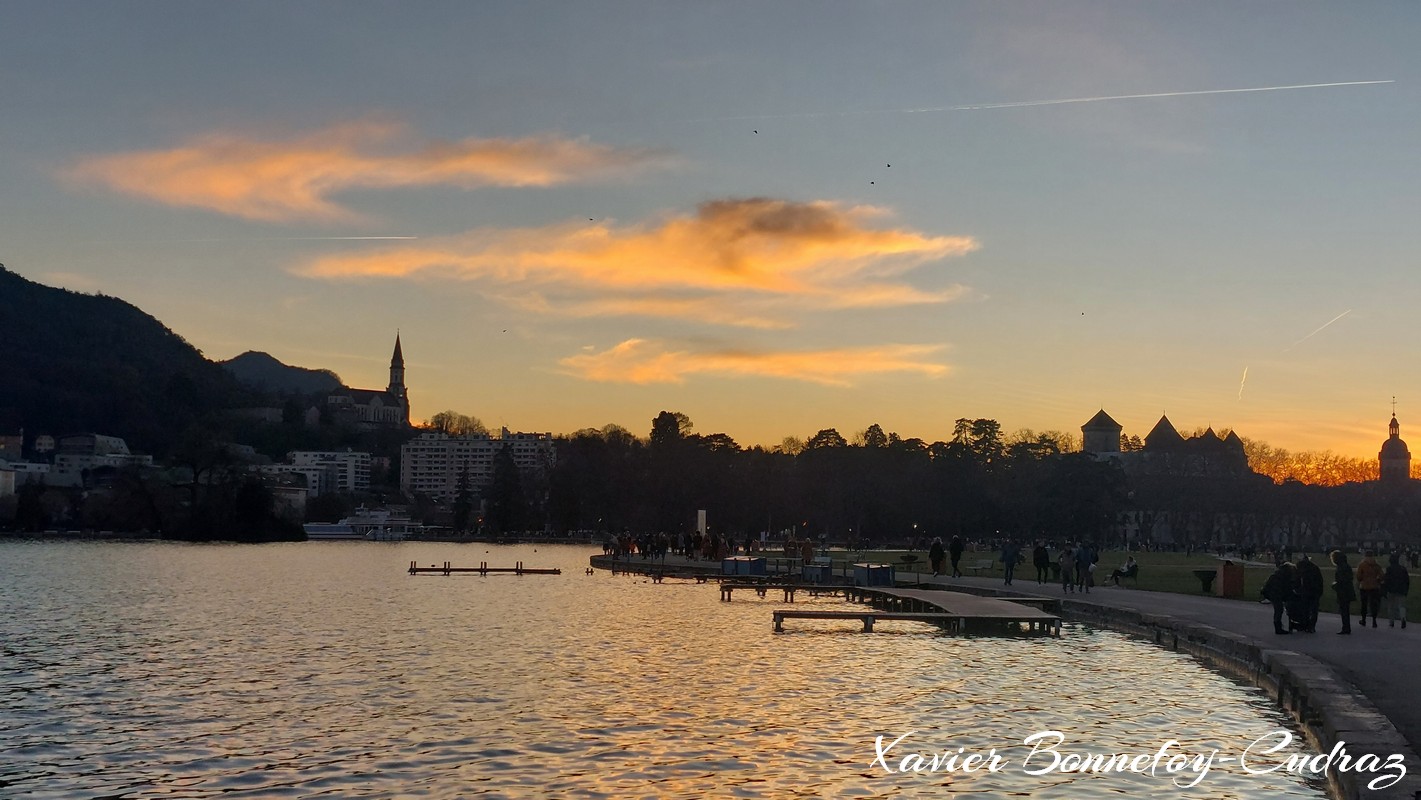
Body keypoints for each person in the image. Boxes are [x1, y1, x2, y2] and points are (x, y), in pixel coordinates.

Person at [1260, 559, 1297, 635]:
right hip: (1275, 593)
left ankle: (1279, 627)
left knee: (1279, 610)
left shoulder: (1277, 574)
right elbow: (1286, 588)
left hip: (1273, 593)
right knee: (1279, 610)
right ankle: (1278, 628)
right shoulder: (1285, 576)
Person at [1355, 551, 1384, 628]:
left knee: (1364, 604)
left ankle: (1363, 620)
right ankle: (1374, 621)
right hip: (1374, 587)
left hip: (1364, 586)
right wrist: (1377, 580)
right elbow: (1381, 575)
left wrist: (1362, 580)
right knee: (1373, 604)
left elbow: (1358, 576)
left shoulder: (1362, 564)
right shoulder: (1376, 565)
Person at [1295, 554, 1323, 633]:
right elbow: (1320, 581)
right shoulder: (1314, 568)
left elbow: (1296, 580)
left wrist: (1297, 590)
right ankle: (1311, 626)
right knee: (1313, 610)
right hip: (1314, 591)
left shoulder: (1300, 568)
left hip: (1305, 591)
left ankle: (1305, 625)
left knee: (1305, 609)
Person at [1383, 551, 1410, 629]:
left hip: (1391, 590)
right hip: (1401, 589)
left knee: (1391, 606)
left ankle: (1391, 621)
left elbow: (1386, 580)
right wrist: (1406, 590)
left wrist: (1385, 588)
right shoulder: (1403, 569)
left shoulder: (1389, 569)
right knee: (1401, 606)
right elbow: (1407, 580)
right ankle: (1403, 618)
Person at [1331, 550, 1355, 635]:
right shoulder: (1346, 566)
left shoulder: (1341, 567)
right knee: (1345, 610)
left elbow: (1341, 580)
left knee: (1344, 610)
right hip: (1347, 590)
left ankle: (1346, 627)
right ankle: (1346, 627)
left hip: (1343, 591)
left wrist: (1335, 585)